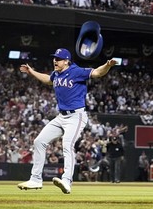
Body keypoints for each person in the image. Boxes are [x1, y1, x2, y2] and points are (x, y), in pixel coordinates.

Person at [17, 48, 117, 194]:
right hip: (61, 117)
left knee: (67, 144)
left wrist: (107, 65)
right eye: (54, 58)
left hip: (76, 116)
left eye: (58, 59)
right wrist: (31, 71)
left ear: (66, 61)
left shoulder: (76, 71)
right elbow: (47, 80)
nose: (55, 61)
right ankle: (35, 179)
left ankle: (67, 181)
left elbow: (96, 73)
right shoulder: (56, 74)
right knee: (39, 141)